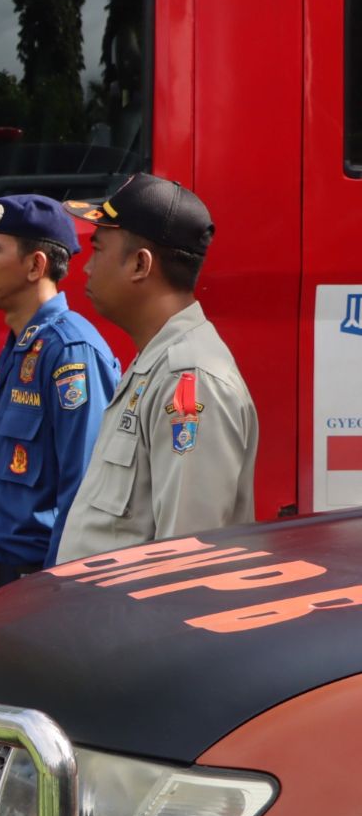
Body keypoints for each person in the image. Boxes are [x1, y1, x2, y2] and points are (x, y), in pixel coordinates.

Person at [55, 175, 258, 562]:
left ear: (139, 264)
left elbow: (188, 565)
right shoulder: (157, 363)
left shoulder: (191, 380)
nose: (86, 268)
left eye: (98, 250)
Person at [0, 195, 120, 591]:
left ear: (35, 265)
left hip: (33, 586)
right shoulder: (24, 344)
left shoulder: (69, 351)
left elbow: (85, 493)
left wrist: (57, 596)